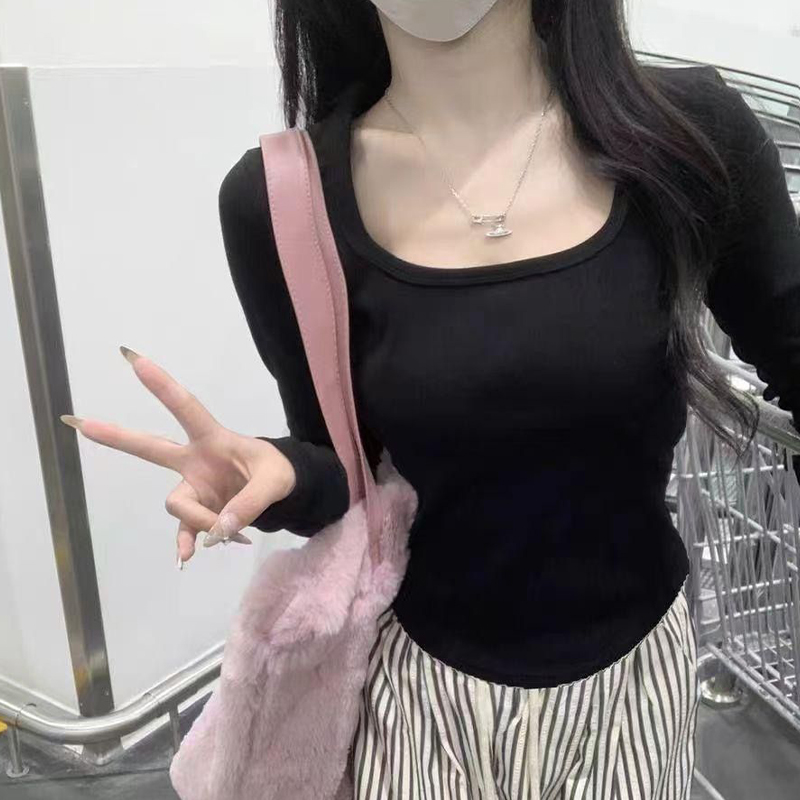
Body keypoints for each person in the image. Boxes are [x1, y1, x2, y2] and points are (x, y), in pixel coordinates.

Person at [60, 0, 800, 797]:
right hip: (421, 702)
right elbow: (344, 470)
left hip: (634, 689)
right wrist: (279, 473)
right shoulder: (281, 198)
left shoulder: (687, 134)